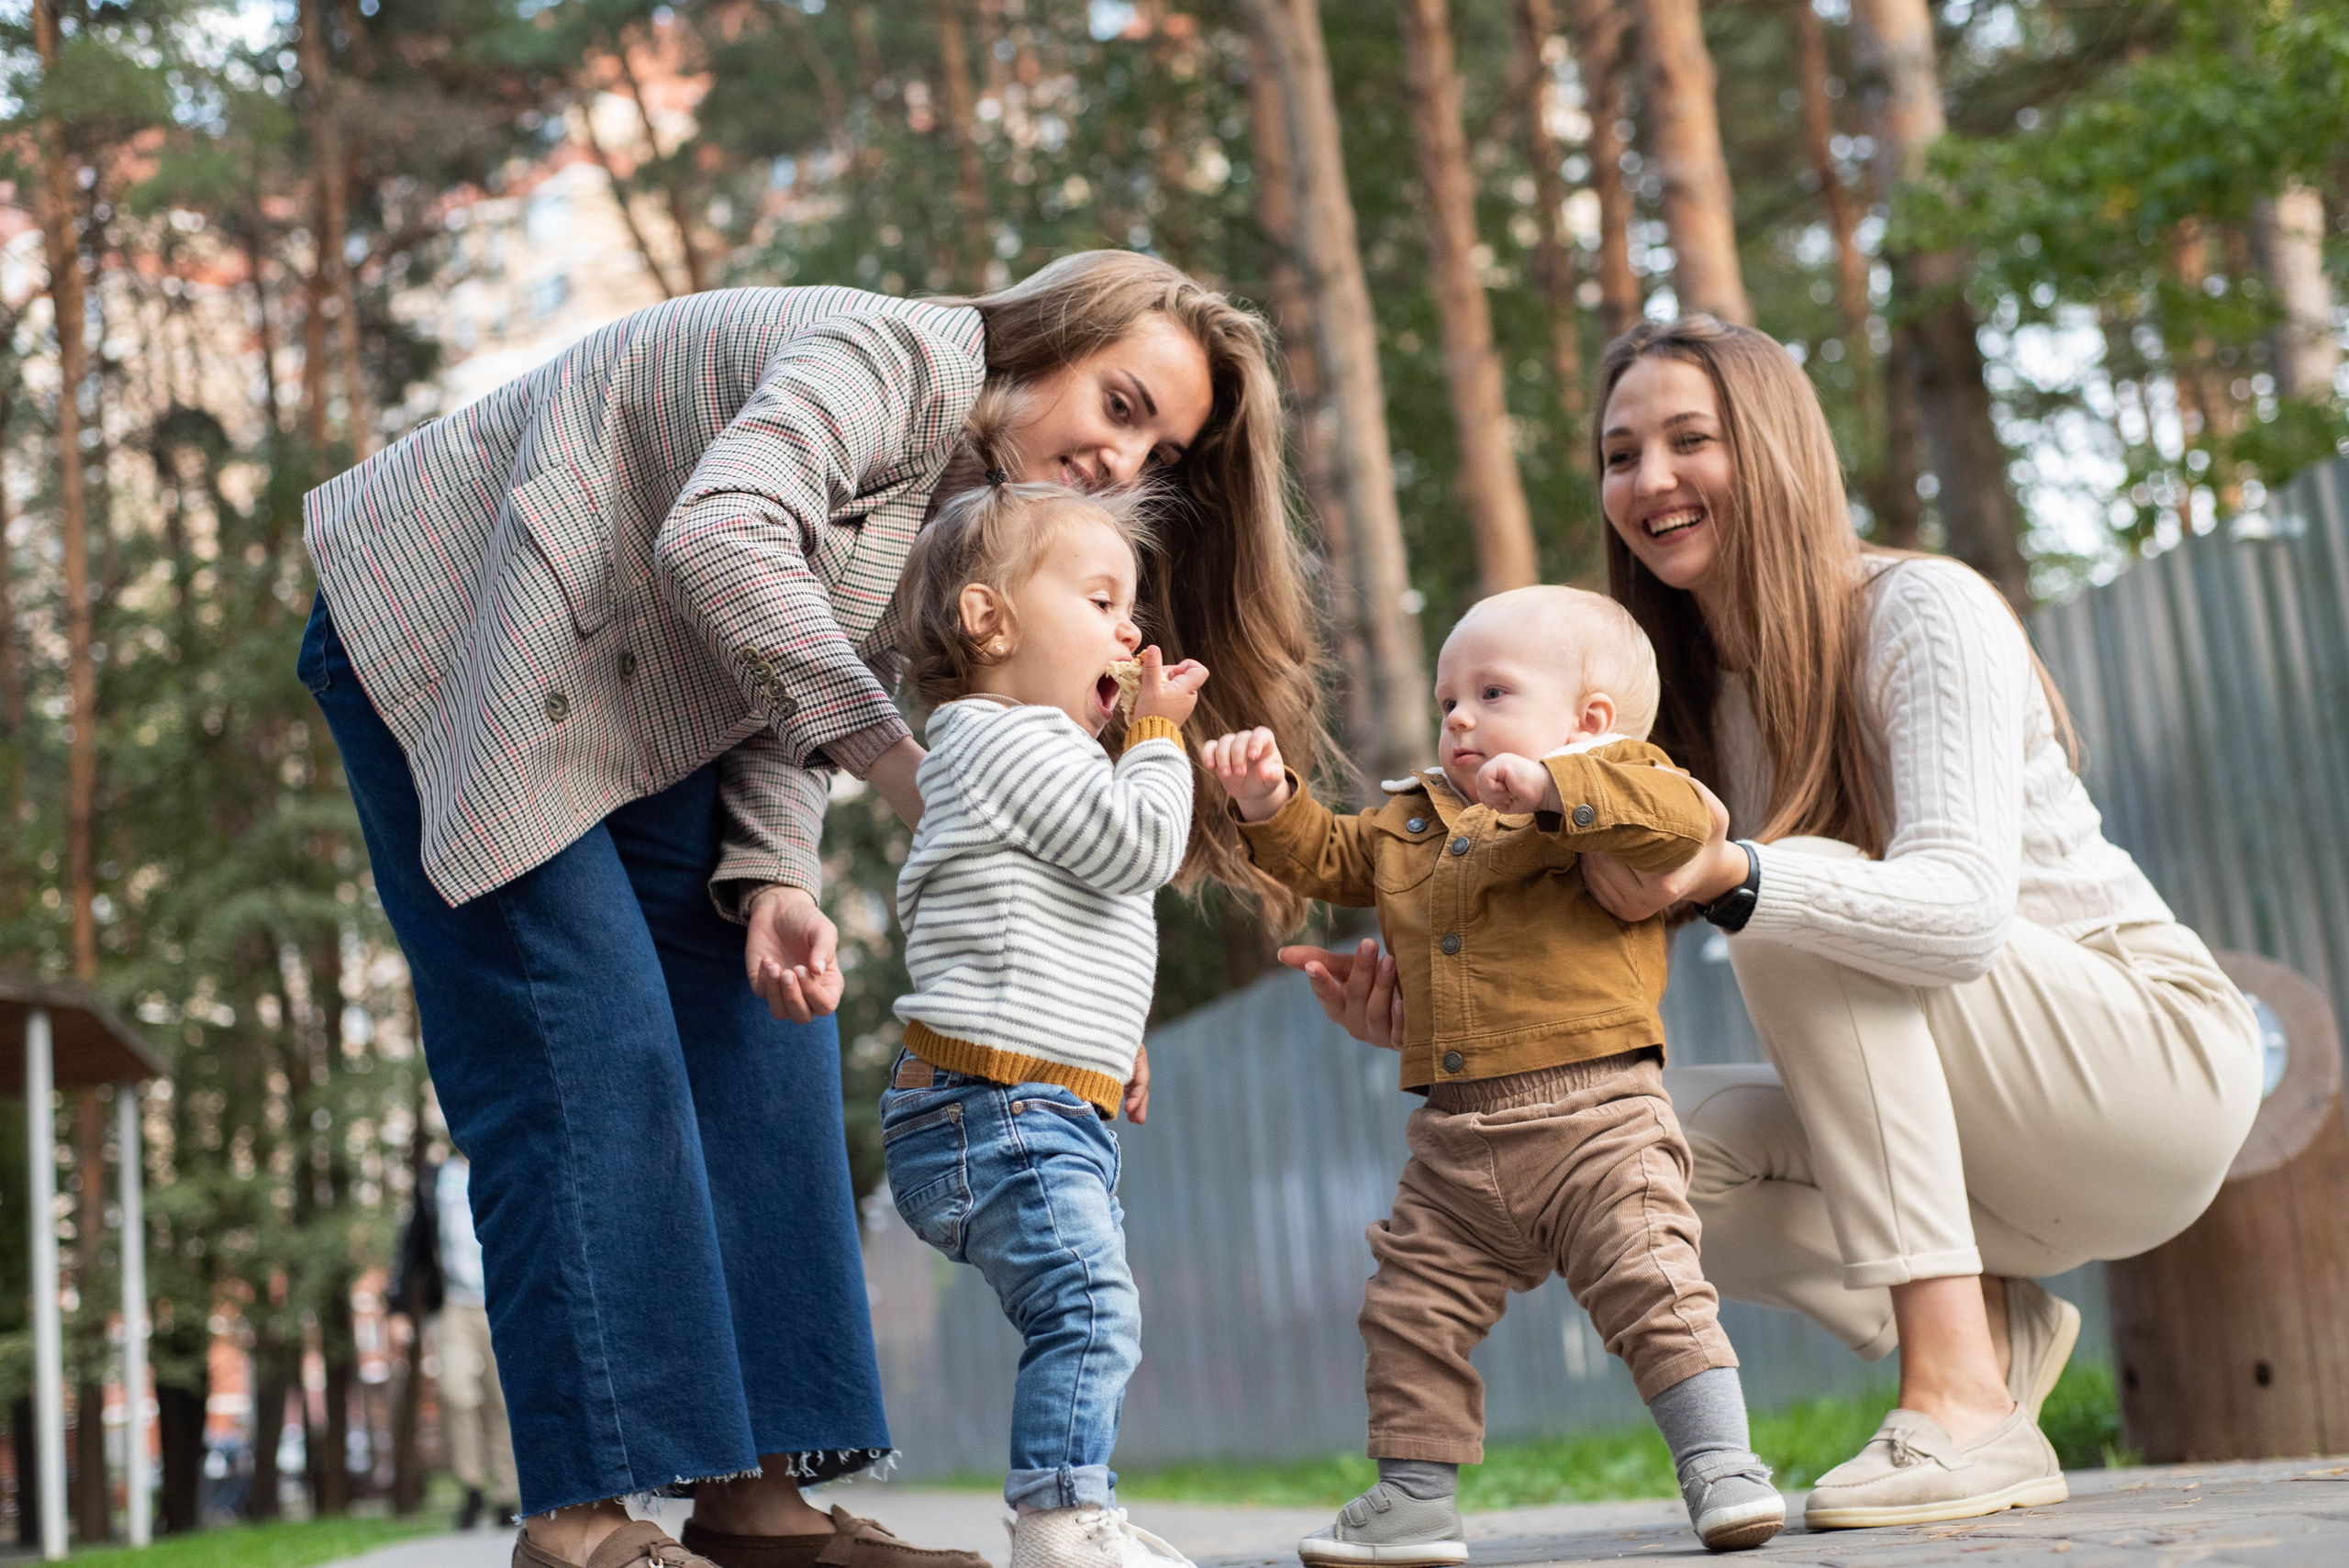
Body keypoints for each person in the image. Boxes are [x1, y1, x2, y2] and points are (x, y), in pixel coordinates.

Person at [296, 250, 1322, 1568]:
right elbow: (725, 536)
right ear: (1044, 341)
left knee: (761, 1019)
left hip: (631, 677)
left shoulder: (966, 514)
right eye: (1121, 406)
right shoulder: (890, 359)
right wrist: (912, 767)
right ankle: (577, 1519)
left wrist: (776, 875)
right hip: (456, 625)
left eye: (1160, 451)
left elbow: (784, 665)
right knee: (586, 1046)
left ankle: (758, 1499)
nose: (1127, 463)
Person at [1281, 317, 2262, 1533]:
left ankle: (1956, 1399)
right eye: (1620, 453)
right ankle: (1993, 1334)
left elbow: (1957, 918)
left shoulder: (1921, 608)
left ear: (1780, 449)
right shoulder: (1671, 711)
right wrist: (1431, 1011)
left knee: (1784, 903)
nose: (1650, 480)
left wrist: (1738, 870)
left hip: (2142, 1065)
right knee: (1626, 1162)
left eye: (1691, 440)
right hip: (1988, 1152)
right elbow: (1568, 951)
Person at [1203, 585, 1783, 1557]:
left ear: (1587, 721)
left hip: (1601, 1119)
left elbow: (1683, 824)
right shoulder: (1414, 821)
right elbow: (1334, 856)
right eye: (1447, 700)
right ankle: (1414, 1497)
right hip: (1456, 1144)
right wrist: (1268, 800)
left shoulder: (1617, 787)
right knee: (1407, 1308)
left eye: (1492, 691)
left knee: (1655, 1288)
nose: (1459, 718)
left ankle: (1722, 1463)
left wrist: (1557, 791)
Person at [881, 479, 1205, 1568]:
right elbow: (1137, 850)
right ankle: (1061, 1517)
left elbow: (1062, 917)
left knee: (1089, 1302)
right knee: (1089, 1300)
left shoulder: (1015, 753)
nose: (1132, 628)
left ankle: (1076, 1504)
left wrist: (1113, 1044)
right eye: (1103, 597)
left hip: (1024, 1098)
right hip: (999, 1103)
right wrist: (1159, 738)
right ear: (991, 620)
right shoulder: (1009, 738)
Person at [433, 1153, 521, 1531]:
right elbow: (419, 1236)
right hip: (452, 1302)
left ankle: (506, 1495)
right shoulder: (435, 1177)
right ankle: (471, 1486)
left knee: (501, 1399)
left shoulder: (500, 1160)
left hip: (498, 1297)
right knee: (455, 1391)